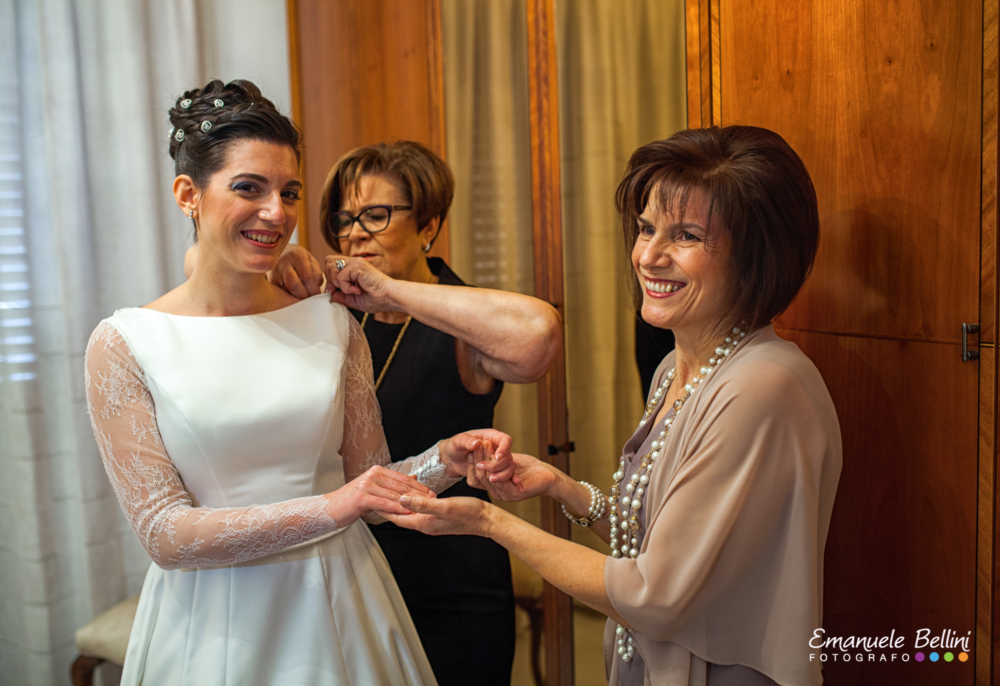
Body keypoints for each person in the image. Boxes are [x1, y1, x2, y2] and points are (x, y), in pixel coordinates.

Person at [84, 79, 515, 686]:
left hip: (342, 598)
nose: (276, 213)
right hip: (216, 618)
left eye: (288, 193)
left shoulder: (331, 323)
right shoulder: (124, 344)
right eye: (249, 188)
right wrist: (336, 505)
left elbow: (373, 485)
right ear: (188, 194)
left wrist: (443, 460)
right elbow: (164, 534)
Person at [385, 126, 843, 686]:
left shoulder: (762, 387)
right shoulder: (675, 368)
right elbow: (654, 542)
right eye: (646, 228)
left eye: (687, 236)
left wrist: (489, 522)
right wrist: (560, 487)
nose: (648, 256)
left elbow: (654, 594)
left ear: (756, 254)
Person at [262, 141, 562, 686]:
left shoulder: (462, 319)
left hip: (451, 585)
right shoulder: (336, 317)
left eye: (376, 215)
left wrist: (394, 292)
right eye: (345, 220)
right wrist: (280, 267)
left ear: (428, 225)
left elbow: (537, 336)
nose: (356, 234)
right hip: (353, 572)